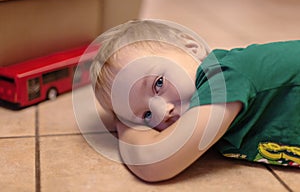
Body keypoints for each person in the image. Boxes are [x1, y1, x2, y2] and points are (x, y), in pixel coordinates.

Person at [89, 19, 300, 182]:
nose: (163, 112)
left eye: (159, 84)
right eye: (146, 115)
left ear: (192, 48)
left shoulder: (227, 75)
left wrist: (126, 124)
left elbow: (153, 162)